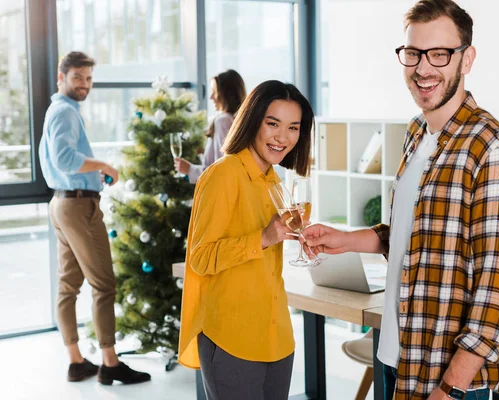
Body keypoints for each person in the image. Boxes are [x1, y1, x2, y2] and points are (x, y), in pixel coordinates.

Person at [302, 1, 499, 399]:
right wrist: (348, 239)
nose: (423, 68)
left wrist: (452, 387)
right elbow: (418, 236)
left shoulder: (492, 149)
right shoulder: (415, 133)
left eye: (440, 54)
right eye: (413, 54)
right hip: (395, 357)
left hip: (445, 376)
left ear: (467, 58)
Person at [177, 80, 313, 400]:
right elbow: (201, 257)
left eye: (293, 127)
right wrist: (263, 237)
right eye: (273, 124)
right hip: (231, 338)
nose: (283, 137)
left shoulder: (273, 179)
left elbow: (267, 249)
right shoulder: (222, 175)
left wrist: (293, 236)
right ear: (252, 120)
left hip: (276, 335)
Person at [39, 51, 151, 385]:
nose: (84, 85)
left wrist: (92, 176)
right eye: (77, 78)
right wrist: (102, 166)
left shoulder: (59, 110)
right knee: (104, 285)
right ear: (61, 77)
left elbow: (64, 163)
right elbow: (66, 159)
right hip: (78, 208)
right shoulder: (65, 111)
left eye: (88, 78)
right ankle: (110, 363)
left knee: (68, 285)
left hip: (62, 203)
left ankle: (76, 362)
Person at [174, 69, 246, 183]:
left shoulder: (223, 121)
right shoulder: (239, 120)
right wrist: (204, 153)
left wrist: (189, 169)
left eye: (214, 92)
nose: (211, 97)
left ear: (226, 95)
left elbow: (221, 170)